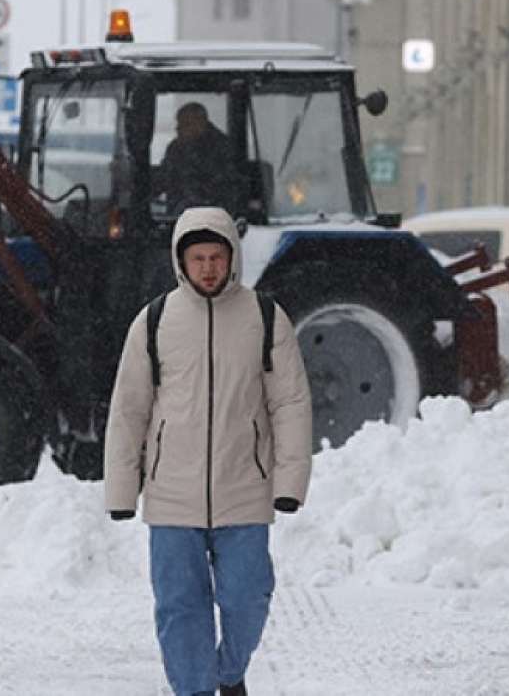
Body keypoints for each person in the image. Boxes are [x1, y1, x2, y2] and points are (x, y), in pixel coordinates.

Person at [105, 206, 312, 696]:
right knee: (180, 606)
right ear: (182, 261)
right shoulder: (154, 321)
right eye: (198, 258)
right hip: (171, 493)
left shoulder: (265, 317)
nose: (208, 268)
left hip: (245, 488)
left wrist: (289, 482)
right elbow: (129, 409)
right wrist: (122, 490)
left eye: (216, 257)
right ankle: (195, 689)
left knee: (248, 597)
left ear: (232, 256)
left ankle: (229, 672)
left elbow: (290, 404)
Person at [154, 102, 246, 215]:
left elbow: (229, 186)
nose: (178, 129)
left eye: (186, 124)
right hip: (178, 215)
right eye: (179, 124)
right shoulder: (176, 148)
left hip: (217, 213)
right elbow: (165, 177)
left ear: (201, 123)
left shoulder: (223, 148)